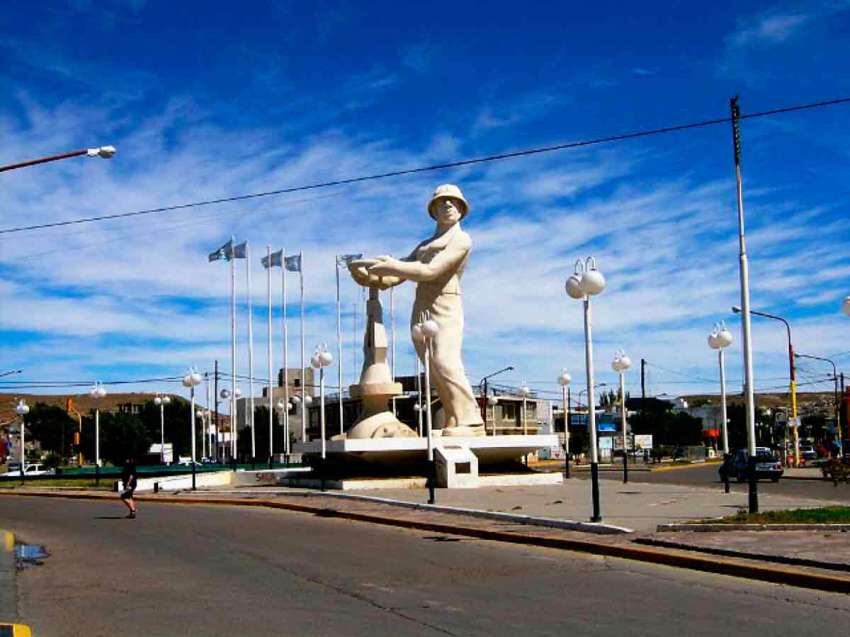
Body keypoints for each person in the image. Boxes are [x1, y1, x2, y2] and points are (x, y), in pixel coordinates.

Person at [361, 184, 485, 436]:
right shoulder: (425, 245)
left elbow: (430, 271)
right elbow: (395, 278)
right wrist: (369, 275)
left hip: (446, 305)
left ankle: (471, 420)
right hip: (422, 307)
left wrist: (392, 266)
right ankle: (454, 417)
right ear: (433, 210)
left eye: (453, 202)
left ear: (461, 209)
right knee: (432, 366)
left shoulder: (461, 239)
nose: (448, 205)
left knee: (445, 361)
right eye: (442, 202)